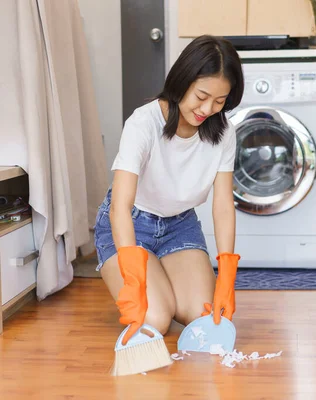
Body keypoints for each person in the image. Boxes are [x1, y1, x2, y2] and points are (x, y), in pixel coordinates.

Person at [93, 35, 244, 344]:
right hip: (131, 223)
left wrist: (227, 272)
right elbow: (120, 206)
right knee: (155, 320)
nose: (207, 109)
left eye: (220, 101)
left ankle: (163, 282)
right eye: (201, 96)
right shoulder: (143, 123)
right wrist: (134, 276)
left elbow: (223, 205)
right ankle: (150, 284)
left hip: (180, 227)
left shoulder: (224, 132)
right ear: (182, 81)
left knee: (205, 314)